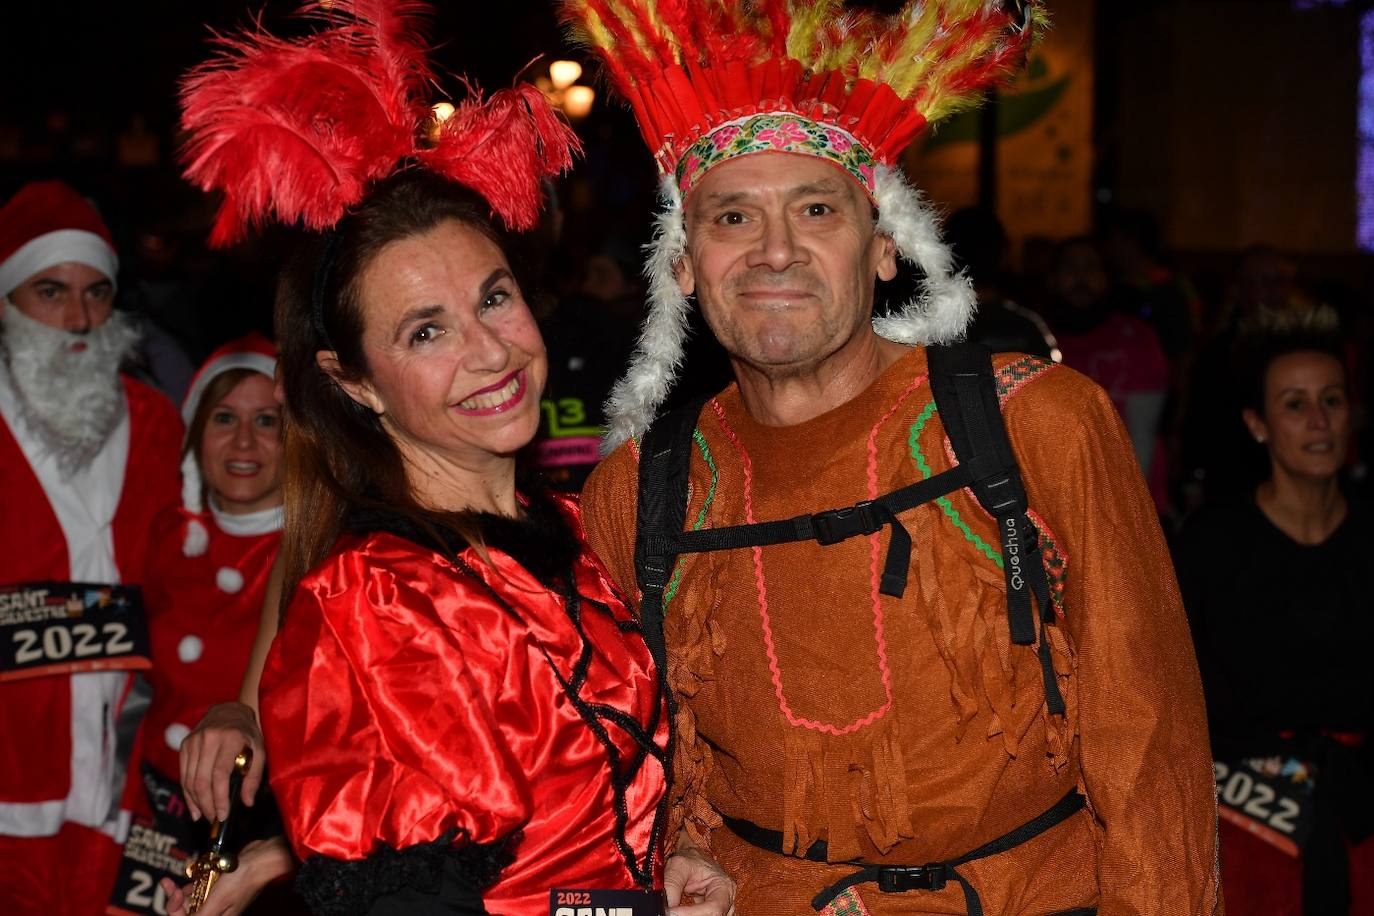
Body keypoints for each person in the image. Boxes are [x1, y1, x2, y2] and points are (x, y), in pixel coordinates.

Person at [563, 1, 1222, 913]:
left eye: (817, 209)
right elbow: (636, 756)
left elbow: (1148, 738)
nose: (776, 252)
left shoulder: (1038, 421)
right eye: (733, 219)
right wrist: (679, 848)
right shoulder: (634, 491)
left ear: (880, 253)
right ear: (683, 266)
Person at [170, 4, 733, 913]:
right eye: (427, 330)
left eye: (494, 297)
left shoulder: (581, 525)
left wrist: (662, 876)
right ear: (353, 381)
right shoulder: (379, 596)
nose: (491, 351)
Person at [0, 180, 182, 914]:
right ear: (8, 301)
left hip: (127, 768)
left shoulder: (159, 421)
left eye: (96, 293)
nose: (78, 318)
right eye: (51, 292)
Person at [1177, 304, 1374, 916]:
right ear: (1257, 424)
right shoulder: (1210, 547)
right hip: (1243, 823)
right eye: (1294, 404)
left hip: (1363, 809)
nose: (1319, 421)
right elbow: (1172, 692)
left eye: (1332, 401)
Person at [108, 334, 294, 915]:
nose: (244, 441)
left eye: (268, 420)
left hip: (269, 828)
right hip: (150, 813)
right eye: (223, 418)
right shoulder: (155, 536)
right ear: (194, 433)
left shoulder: (318, 554)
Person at [1045, 236, 1170, 510]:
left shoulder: (1136, 338)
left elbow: (1143, 435)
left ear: (1107, 278)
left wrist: (1134, 510)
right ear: (1053, 278)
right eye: (1070, 268)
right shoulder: (1036, 340)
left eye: (1091, 268)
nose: (1081, 277)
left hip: (1130, 501)